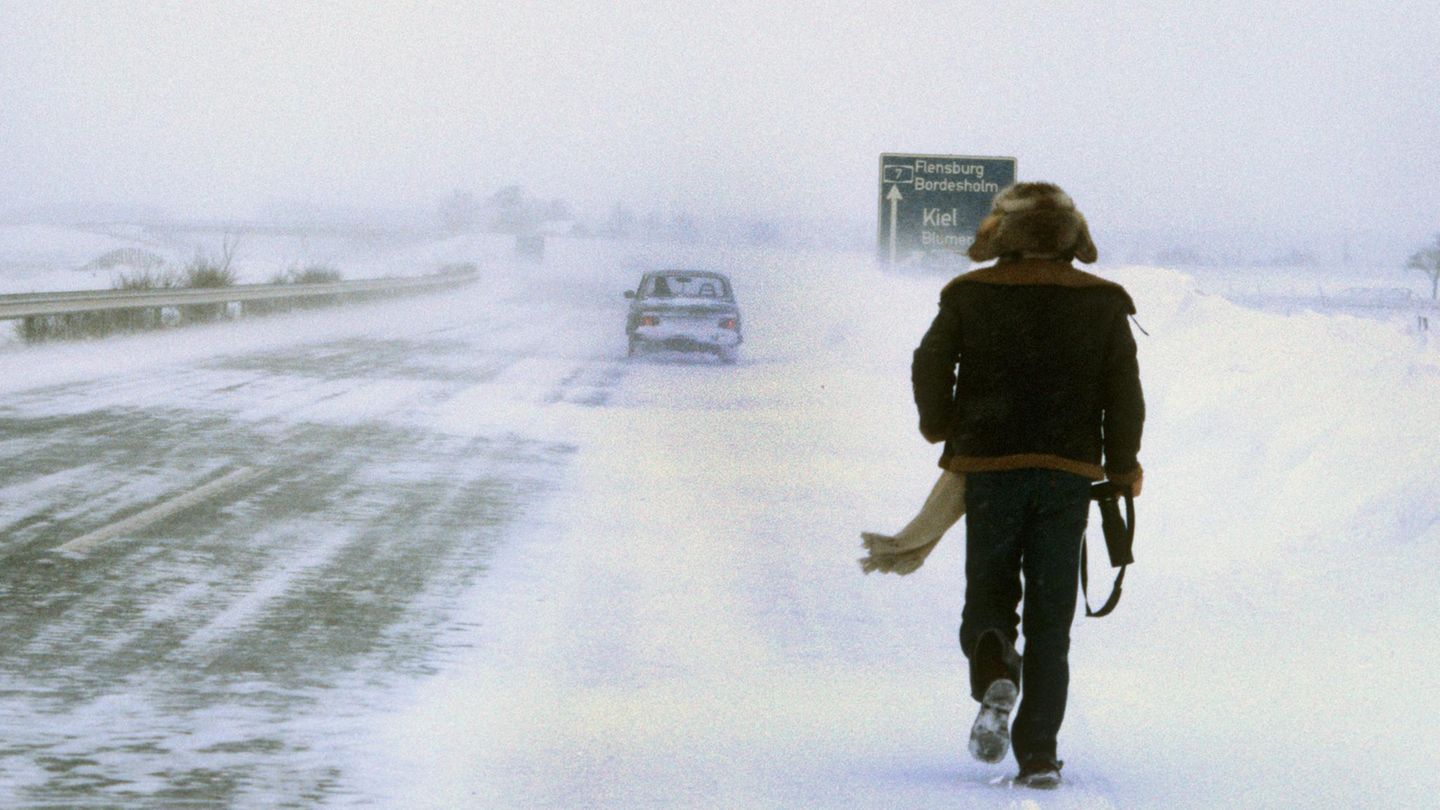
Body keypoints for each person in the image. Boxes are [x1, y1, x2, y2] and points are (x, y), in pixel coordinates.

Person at [910, 182, 1145, 789]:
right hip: (1066, 477)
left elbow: (929, 362)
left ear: (1005, 238)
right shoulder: (1104, 302)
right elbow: (1124, 395)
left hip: (989, 470)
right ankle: (1038, 753)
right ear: (1071, 238)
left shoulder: (969, 294)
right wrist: (1122, 467)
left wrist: (942, 426)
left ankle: (994, 668)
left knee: (988, 589)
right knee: (1051, 616)